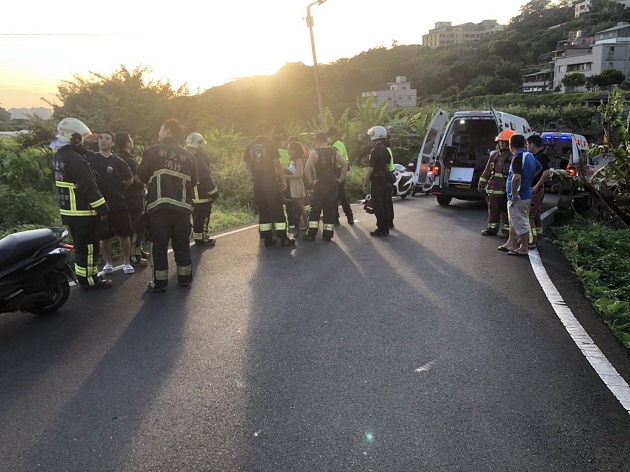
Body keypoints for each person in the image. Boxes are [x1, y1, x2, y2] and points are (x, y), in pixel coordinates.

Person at [136, 119, 198, 292]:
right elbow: (193, 182)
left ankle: (160, 282)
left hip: (159, 208)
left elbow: (140, 177)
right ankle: (185, 278)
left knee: (159, 245)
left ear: (168, 132)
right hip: (183, 209)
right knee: (182, 244)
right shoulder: (190, 157)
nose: (159, 133)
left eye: (161, 129)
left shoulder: (153, 151)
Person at [50, 118, 112, 290]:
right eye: (83, 138)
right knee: (90, 249)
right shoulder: (75, 158)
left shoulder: (59, 156)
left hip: (69, 213)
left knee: (80, 248)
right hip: (83, 212)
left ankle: (82, 277)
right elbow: (88, 187)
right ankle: (91, 280)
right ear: (74, 137)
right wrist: (103, 209)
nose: (85, 141)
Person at [88, 131, 135, 275]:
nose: (103, 141)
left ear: (113, 143)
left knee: (124, 233)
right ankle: (108, 263)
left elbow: (129, 180)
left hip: (118, 203)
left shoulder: (118, 161)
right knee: (104, 235)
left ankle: (126, 262)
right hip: (100, 204)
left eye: (107, 139)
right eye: (101, 138)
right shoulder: (91, 158)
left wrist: (119, 190)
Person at [243, 121, 295, 248]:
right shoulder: (270, 144)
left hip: (258, 182)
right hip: (270, 181)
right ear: (266, 131)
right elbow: (277, 164)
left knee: (263, 209)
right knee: (277, 208)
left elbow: (247, 165)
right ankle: (283, 238)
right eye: (270, 131)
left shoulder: (250, 145)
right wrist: (283, 180)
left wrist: (255, 176)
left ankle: (267, 239)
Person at [498, 134, 542, 257]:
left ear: (510, 145)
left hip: (519, 196)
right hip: (526, 193)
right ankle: (510, 243)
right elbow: (539, 168)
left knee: (520, 222)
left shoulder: (517, 158)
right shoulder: (529, 156)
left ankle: (524, 247)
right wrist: (528, 179)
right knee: (514, 221)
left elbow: (516, 177)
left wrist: (513, 193)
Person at [303, 132, 347, 242]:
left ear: (317, 140)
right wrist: (340, 179)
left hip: (320, 184)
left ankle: (312, 234)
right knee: (329, 209)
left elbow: (307, 168)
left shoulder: (314, 152)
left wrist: (311, 182)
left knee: (315, 209)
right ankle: (328, 234)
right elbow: (345, 165)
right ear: (326, 140)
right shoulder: (334, 152)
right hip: (332, 184)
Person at [115, 132, 149, 266]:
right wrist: (146, 182)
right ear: (128, 143)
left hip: (122, 196)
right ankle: (135, 257)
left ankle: (137, 251)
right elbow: (137, 178)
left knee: (129, 225)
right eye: (131, 139)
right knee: (137, 225)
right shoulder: (129, 159)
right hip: (134, 195)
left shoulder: (116, 157)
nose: (132, 141)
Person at [477, 129, 515, 238]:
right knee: (492, 210)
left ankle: (506, 231)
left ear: (509, 143)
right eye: (499, 142)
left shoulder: (512, 157)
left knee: (505, 211)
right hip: (492, 188)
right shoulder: (494, 156)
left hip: (505, 190)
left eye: (503, 142)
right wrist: (481, 183)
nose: (500, 144)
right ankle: (492, 229)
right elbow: (487, 170)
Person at [186, 132, 219, 246]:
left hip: (190, 194)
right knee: (204, 216)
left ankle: (197, 236)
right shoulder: (199, 159)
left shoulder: (184, 156)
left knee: (196, 216)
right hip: (202, 193)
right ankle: (202, 238)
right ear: (198, 144)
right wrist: (214, 193)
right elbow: (205, 177)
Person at [363, 126, 391, 237]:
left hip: (377, 181)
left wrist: (365, 183)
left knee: (378, 205)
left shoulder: (374, 151)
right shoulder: (386, 150)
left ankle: (382, 229)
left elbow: (370, 169)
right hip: (385, 180)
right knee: (384, 204)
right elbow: (387, 166)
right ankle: (385, 227)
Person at [528, 134, 552, 248]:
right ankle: (538, 235)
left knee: (529, 215)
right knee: (535, 214)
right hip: (536, 189)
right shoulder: (537, 156)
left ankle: (531, 240)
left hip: (535, 190)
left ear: (532, 145)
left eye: (528, 144)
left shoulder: (541, 157)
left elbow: (547, 173)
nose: (528, 147)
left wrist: (537, 185)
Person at [327, 127, 354, 226]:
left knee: (334, 196)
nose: (328, 138)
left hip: (337, 172)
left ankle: (336, 218)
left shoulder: (334, 146)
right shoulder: (340, 143)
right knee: (342, 195)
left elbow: (334, 161)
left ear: (333, 135)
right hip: (342, 171)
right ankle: (349, 216)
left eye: (329, 136)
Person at [286, 139, 309, 234]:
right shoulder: (292, 161)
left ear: (294, 150)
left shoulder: (299, 160)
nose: (288, 151)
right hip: (292, 184)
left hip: (297, 184)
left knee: (300, 205)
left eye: (289, 149)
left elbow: (299, 175)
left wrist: (286, 176)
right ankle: (300, 224)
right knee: (296, 206)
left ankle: (306, 224)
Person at [385, 137, 395, 229]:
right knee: (389, 201)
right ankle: (390, 221)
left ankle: (388, 221)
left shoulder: (386, 151)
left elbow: (387, 166)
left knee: (386, 201)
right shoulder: (389, 149)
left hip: (387, 176)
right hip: (391, 175)